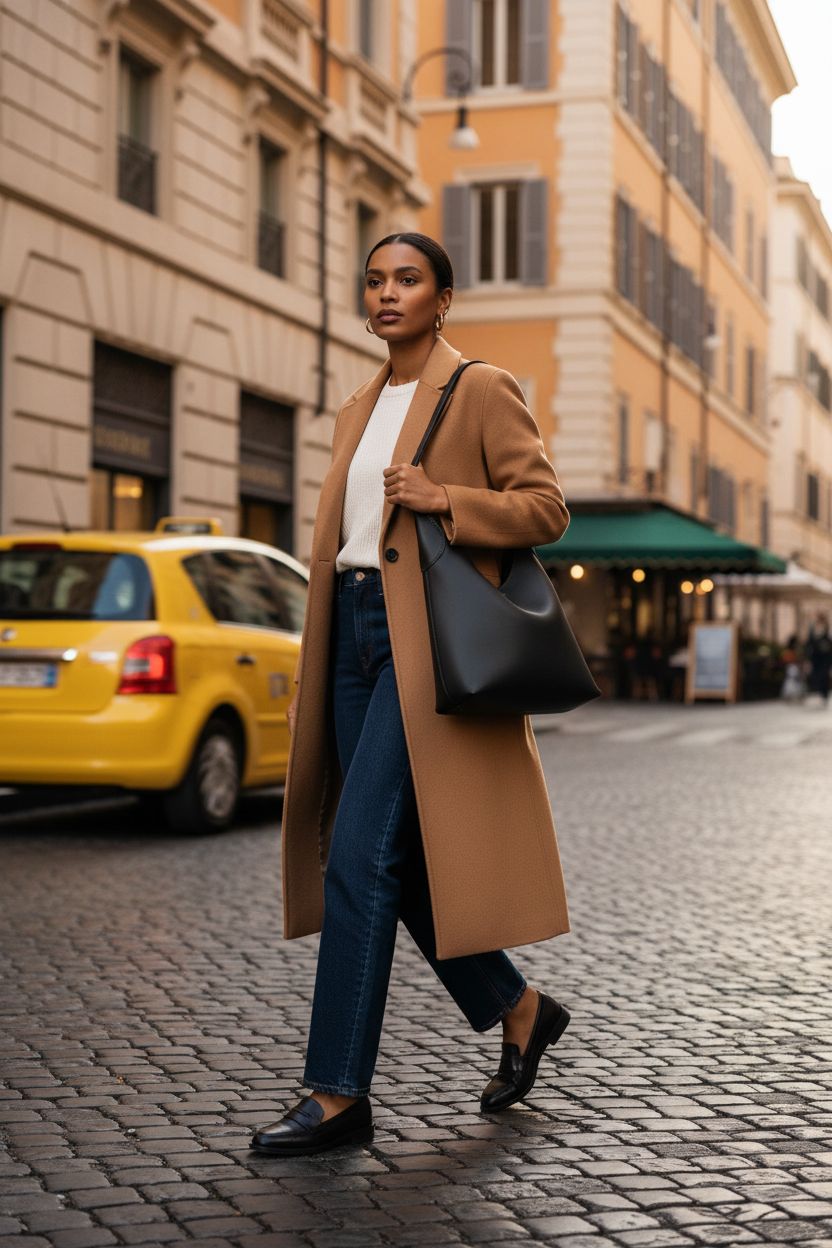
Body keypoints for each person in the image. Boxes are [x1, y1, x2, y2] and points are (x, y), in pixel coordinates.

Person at [251, 233, 572, 1157]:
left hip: (419, 642)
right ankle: (518, 1007)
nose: (388, 294)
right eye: (376, 281)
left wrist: (446, 499)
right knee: (397, 865)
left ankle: (337, 1093)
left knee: (357, 855)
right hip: (351, 634)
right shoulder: (357, 407)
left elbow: (546, 507)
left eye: (409, 280)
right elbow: (346, 544)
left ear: (442, 300)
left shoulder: (478, 388)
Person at [805, 613, 832, 704]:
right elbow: (810, 642)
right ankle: (821, 693)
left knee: (824, 675)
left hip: (825, 657)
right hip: (816, 657)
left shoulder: (826, 629)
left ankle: (824, 694)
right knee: (818, 675)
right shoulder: (814, 628)